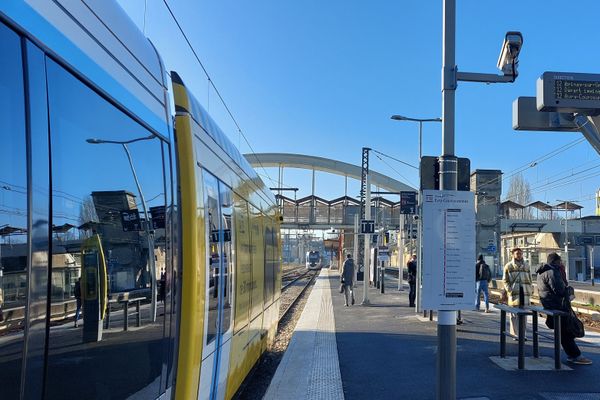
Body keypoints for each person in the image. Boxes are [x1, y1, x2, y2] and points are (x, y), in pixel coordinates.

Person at [537, 253, 592, 365]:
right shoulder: (552, 272)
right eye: (559, 261)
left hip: (549, 304)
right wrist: (570, 290)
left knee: (564, 331)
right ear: (555, 261)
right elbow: (560, 291)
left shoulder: (542, 272)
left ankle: (573, 354)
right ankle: (575, 355)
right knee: (565, 331)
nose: (561, 263)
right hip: (558, 305)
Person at [503, 248, 533, 338]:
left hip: (525, 293)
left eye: (520, 253)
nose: (519, 255)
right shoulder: (508, 266)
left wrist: (530, 289)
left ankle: (523, 334)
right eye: (517, 253)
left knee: (524, 316)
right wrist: (509, 290)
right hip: (514, 293)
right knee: (514, 315)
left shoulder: (527, 266)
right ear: (513, 254)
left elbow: (530, 279)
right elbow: (505, 280)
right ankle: (515, 334)